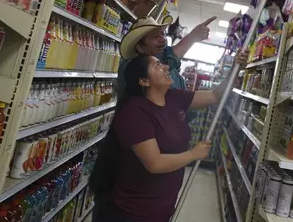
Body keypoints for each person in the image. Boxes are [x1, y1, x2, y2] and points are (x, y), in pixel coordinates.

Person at [90, 51, 247, 222]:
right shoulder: (135, 112)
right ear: (144, 81)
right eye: (157, 65)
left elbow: (216, 96)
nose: (166, 67)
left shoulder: (174, 97)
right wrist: (193, 154)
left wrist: (235, 69)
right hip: (130, 212)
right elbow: (155, 163)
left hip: (161, 208)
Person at [117, 15, 217, 97]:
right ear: (140, 47)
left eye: (162, 33)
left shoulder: (166, 67)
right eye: (155, 36)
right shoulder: (131, 67)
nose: (163, 39)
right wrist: (193, 37)